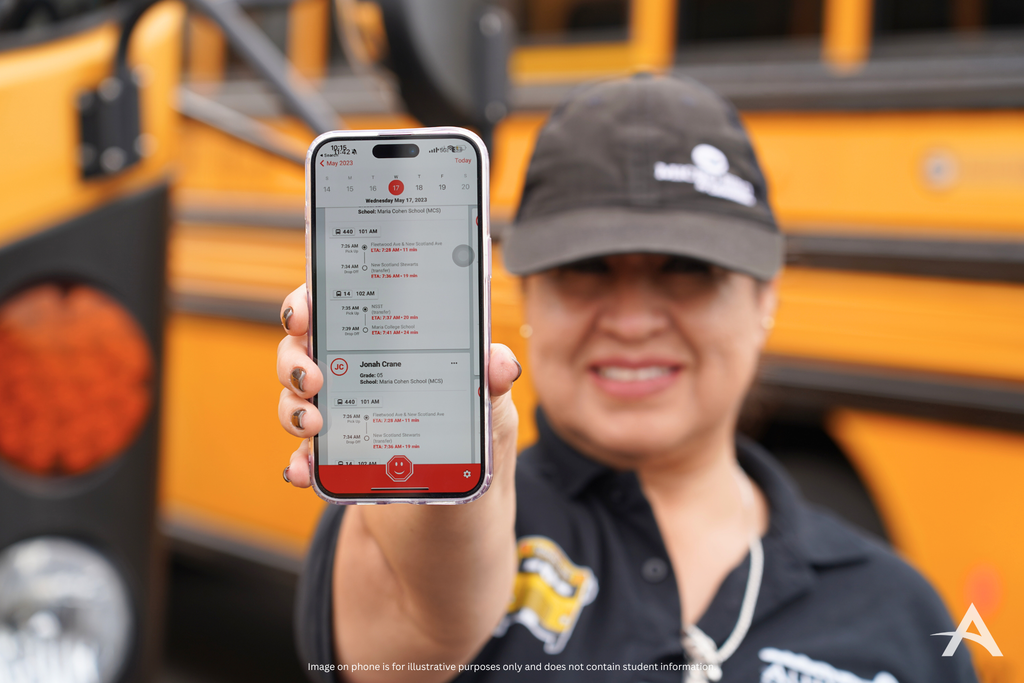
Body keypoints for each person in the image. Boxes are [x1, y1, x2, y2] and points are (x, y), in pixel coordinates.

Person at [276, 75, 978, 683]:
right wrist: (433, 438)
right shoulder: (435, 528)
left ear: (766, 298)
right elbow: (433, 605)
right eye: (586, 269)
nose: (634, 320)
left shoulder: (901, 610)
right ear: (527, 297)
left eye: (687, 269)